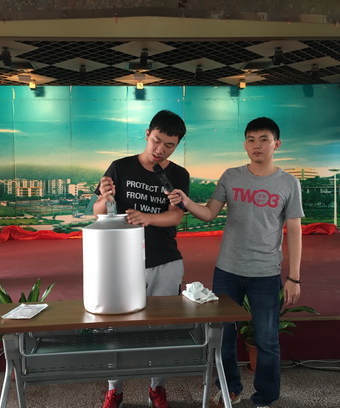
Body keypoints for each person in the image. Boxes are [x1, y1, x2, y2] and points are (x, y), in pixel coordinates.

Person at [166, 117, 304, 408]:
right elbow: (209, 214)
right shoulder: (231, 176)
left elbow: (294, 230)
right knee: (224, 336)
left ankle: (265, 397)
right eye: (251, 140)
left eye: (264, 139)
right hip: (227, 269)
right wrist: (186, 201)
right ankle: (229, 389)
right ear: (245, 144)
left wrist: (294, 277)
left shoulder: (289, 183)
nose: (257, 145)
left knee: (267, 340)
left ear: (277, 144)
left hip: (266, 272)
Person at [93, 109, 190, 408]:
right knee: (117, 327)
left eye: (169, 145)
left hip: (164, 259)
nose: (160, 150)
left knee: (161, 329)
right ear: (147, 134)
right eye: (157, 141)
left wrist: (147, 218)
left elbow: (176, 216)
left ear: (177, 145)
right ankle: (115, 389)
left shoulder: (178, 175)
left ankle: (157, 387)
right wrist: (105, 198)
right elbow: (98, 212)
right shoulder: (120, 167)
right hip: (121, 261)